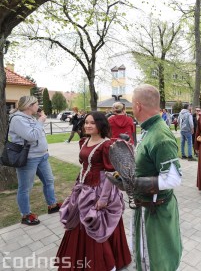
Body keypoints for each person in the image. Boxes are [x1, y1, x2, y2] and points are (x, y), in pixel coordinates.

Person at [116, 84, 182, 270]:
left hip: (155, 211)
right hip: (146, 206)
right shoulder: (149, 129)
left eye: (131, 105)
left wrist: (133, 183)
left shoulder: (160, 135)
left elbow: (174, 178)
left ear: (137, 105)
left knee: (155, 261)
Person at [56, 112, 131, 270]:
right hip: (83, 188)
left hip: (99, 189)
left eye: (92, 123)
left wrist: (103, 199)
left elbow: (111, 173)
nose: (87, 125)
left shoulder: (107, 145)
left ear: (100, 125)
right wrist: (77, 186)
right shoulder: (84, 141)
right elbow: (84, 166)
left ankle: (105, 262)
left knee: (96, 224)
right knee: (78, 224)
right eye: (86, 122)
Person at [8, 96, 61, 225]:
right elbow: (31, 136)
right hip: (29, 159)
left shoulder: (30, 118)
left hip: (42, 156)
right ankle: (26, 215)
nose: (38, 106)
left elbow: (38, 135)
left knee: (49, 181)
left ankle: (52, 205)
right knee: (25, 187)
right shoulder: (17, 119)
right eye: (36, 104)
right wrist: (41, 120)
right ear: (29, 106)